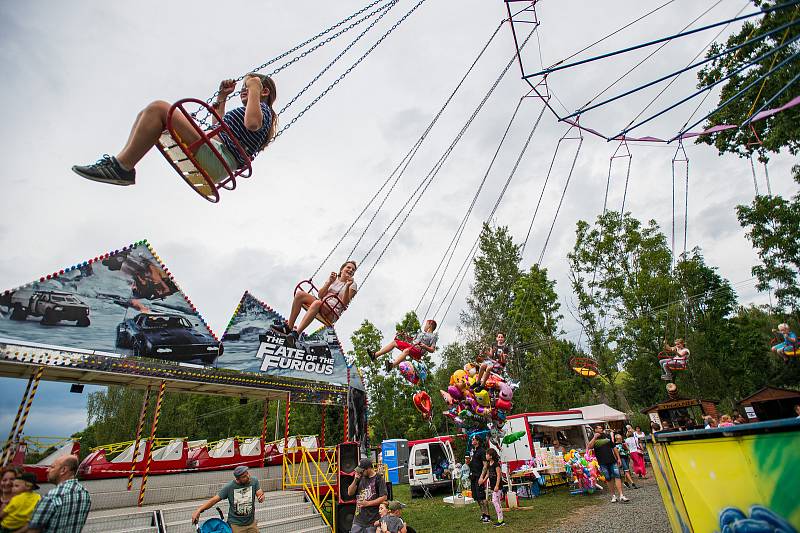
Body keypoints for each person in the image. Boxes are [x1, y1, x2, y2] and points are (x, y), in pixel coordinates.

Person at [72, 74, 277, 187]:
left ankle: (122, 167)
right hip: (217, 156)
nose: (244, 90)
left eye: (247, 88)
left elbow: (252, 124)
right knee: (148, 113)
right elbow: (217, 126)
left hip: (219, 159)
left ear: (263, 91)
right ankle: (120, 163)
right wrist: (222, 97)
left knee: (160, 108)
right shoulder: (250, 112)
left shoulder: (264, 112)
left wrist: (254, 86)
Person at [272, 261, 357, 346]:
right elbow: (320, 295)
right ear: (342, 269)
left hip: (332, 312)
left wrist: (347, 286)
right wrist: (329, 282)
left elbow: (345, 303)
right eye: (348, 267)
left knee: (317, 303)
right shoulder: (334, 279)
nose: (350, 270)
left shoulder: (352, 285)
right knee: (300, 294)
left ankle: (296, 334)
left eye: (353, 270)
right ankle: (288, 327)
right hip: (322, 303)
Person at [25, 455, 90, 533]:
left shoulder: (51, 497)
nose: (47, 470)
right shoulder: (85, 494)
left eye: (52, 467)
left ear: (63, 470)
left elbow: (33, 530)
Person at [192, 465, 264, 532]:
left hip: (251, 524)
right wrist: (199, 510)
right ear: (237, 479)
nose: (248, 476)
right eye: (244, 476)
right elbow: (214, 500)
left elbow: (259, 493)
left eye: (247, 473)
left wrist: (261, 497)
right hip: (236, 525)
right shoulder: (229, 487)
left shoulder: (254, 481)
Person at [371, 319, 438, 372]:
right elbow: (411, 340)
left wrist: (424, 346)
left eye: (426, 324)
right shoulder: (420, 333)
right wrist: (404, 336)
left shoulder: (433, 336)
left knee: (406, 350)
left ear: (430, 325)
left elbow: (432, 350)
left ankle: (392, 365)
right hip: (411, 346)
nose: (425, 326)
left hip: (418, 352)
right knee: (394, 342)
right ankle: (375, 355)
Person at [588, 425, 628, 503]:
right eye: (599, 428)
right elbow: (590, 447)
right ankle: (613, 496)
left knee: (617, 476)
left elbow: (614, 447)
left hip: (612, 460)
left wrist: (618, 458)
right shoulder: (592, 438)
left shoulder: (607, 436)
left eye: (601, 428)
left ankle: (621, 495)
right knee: (608, 478)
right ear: (595, 430)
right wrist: (594, 437)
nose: (601, 429)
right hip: (602, 462)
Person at [348, 458, 388, 533]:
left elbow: (384, 497)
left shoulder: (378, 478)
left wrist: (367, 503)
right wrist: (355, 480)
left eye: (362, 470)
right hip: (358, 519)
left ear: (369, 468)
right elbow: (350, 492)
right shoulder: (360, 478)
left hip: (372, 519)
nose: (360, 472)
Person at [478, 448, 505, 527]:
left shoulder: (496, 464)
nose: (486, 455)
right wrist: (483, 480)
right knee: (497, 502)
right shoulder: (489, 464)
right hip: (493, 486)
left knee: (494, 501)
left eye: (487, 454)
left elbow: (499, 475)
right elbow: (488, 474)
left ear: (491, 456)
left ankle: (500, 520)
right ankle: (501, 519)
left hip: (497, 487)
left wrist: (497, 485)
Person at [467, 436, 490, 523]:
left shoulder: (482, 451)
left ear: (478, 441)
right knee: (477, 497)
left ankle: (488, 515)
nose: (472, 441)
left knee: (482, 497)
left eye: (473, 439)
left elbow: (485, 465)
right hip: (473, 476)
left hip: (479, 477)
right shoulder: (474, 451)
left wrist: (482, 477)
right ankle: (483, 514)